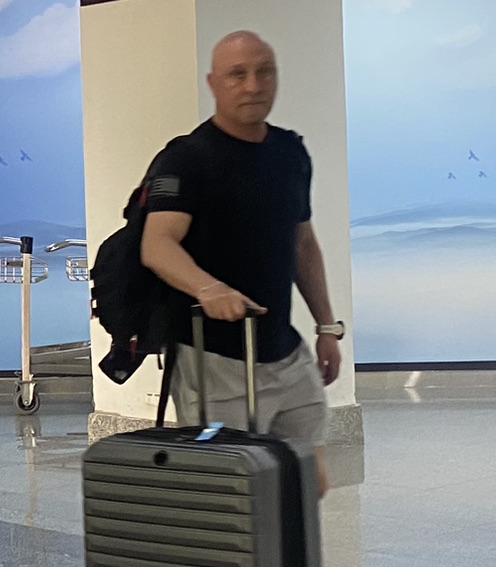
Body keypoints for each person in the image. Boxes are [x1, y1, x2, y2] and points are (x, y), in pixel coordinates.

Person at [136, 31, 345, 458]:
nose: (253, 85)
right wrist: (209, 289)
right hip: (214, 361)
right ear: (213, 84)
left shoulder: (290, 151)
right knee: (229, 483)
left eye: (264, 72)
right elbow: (157, 245)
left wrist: (326, 327)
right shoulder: (187, 158)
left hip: (285, 351)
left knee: (309, 475)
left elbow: (303, 244)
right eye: (237, 74)